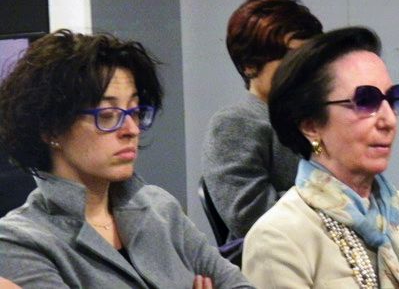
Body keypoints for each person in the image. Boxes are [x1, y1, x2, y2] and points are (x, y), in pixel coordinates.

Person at [0, 29, 252, 288]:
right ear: (51, 128)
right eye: (107, 115)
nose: (131, 129)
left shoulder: (161, 209)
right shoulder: (19, 242)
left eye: (134, 112)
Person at [242, 27, 399, 288]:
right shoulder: (278, 240)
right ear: (311, 125)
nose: (388, 120)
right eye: (366, 101)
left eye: (393, 99)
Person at [202, 0, 323, 244]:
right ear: (250, 64)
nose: (302, 69)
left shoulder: (313, 117)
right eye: (290, 58)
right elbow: (251, 218)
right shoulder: (235, 123)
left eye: (307, 58)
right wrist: (334, 197)